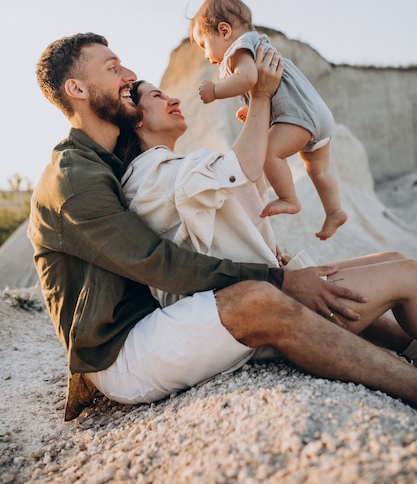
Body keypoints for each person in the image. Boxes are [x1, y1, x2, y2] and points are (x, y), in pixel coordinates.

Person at [28, 32, 417, 423]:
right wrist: (277, 278)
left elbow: (186, 232)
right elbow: (156, 260)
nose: (127, 75)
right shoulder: (75, 178)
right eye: (112, 68)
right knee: (258, 298)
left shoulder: (111, 164)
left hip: (158, 322)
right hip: (120, 350)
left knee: (378, 276)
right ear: (76, 88)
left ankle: (404, 346)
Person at [117, 79, 417, 359]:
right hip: (254, 310)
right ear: (136, 117)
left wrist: (260, 126)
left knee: (394, 258)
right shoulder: (150, 175)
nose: (173, 98)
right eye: (157, 96)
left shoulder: (172, 170)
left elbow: (245, 192)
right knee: (408, 274)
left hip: (264, 287)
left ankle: (410, 348)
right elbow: (240, 168)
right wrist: (261, 98)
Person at [189, 0, 347, 240]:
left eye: (204, 46)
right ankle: (334, 211)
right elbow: (273, 90)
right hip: (318, 114)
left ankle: (289, 198)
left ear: (224, 31)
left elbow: (249, 78)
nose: (207, 56)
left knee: (268, 152)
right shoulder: (259, 43)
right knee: (319, 170)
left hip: (298, 118)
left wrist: (215, 91)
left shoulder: (238, 50)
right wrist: (252, 109)